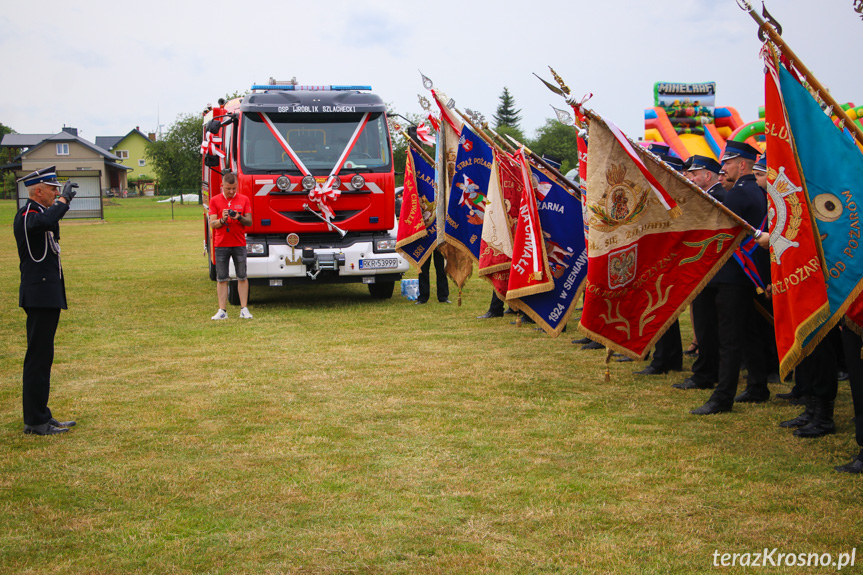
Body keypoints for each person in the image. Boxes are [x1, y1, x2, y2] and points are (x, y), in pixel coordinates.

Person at [691, 141, 771, 415]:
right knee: (748, 332)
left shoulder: (738, 193)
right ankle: (758, 386)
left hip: (731, 275)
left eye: (728, 163)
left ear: (742, 164)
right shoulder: (753, 191)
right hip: (743, 273)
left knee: (729, 338)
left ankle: (722, 397)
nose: (723, 168)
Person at [13, 166, 78, 435]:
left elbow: (49, 220)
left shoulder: (39, 212)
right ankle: (35, 421)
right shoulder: (29, 213)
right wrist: (64, 201)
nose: (56, 193)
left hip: (45, 294)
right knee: (38, 358)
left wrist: (59, 203)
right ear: (38, 191)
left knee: (43, 357)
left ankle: (42, 414)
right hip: (39, 295)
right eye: (52, 189)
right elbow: (45, 222)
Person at [675, 156, 726, 391]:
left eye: (694, 174)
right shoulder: (711, 195)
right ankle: (706, 369)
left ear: (707, 176)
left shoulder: (718, 197)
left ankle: (706, 372)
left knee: (709, 326)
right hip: (708, 269)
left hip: (713, 270)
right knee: (706, 325)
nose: (689, 178)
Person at [208, 171, 253, 319]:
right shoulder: (214, 200)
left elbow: (249, 221)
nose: (232, 191)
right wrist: (222, 219)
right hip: (221, 244)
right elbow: (212, 223)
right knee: (221, 278)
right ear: (222, 186)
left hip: (239, 243)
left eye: (234, 188)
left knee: (242, 276)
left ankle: (244, 309)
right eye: (228, 189)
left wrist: (239, 217)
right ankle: (222, 311)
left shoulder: (244, 199)